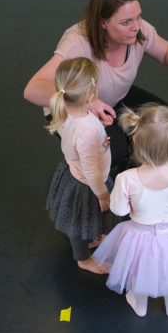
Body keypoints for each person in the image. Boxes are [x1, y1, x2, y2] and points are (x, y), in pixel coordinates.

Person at [24, 0, 168, 173]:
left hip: (110, 98)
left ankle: (132, 175)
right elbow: (33, 89)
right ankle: (90, 171)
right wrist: (85, 102)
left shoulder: (139, 29)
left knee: (161, 122)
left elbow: (165, 52)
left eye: (138, 17)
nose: (136, 26)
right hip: (74, 107)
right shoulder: (77, 42)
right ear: (102, 22)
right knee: (114, 150)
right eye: (126, 22)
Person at [93, 104, 168, 317]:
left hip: (137, 235)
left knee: (138, 271)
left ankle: (140, 304)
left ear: (135, 141)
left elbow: (117, 209)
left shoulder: (126, 178)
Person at [45, 57, 118, 275]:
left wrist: (100, 133)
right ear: (90, 95)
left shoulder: (66, 111)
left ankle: (93, 236)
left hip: (75, 174)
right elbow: (90, 170)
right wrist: (103, 194)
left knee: (87, 218)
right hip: (88, 184)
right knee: (78, 222)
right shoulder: (85, 129)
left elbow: (78, 141)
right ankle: (83, 259)